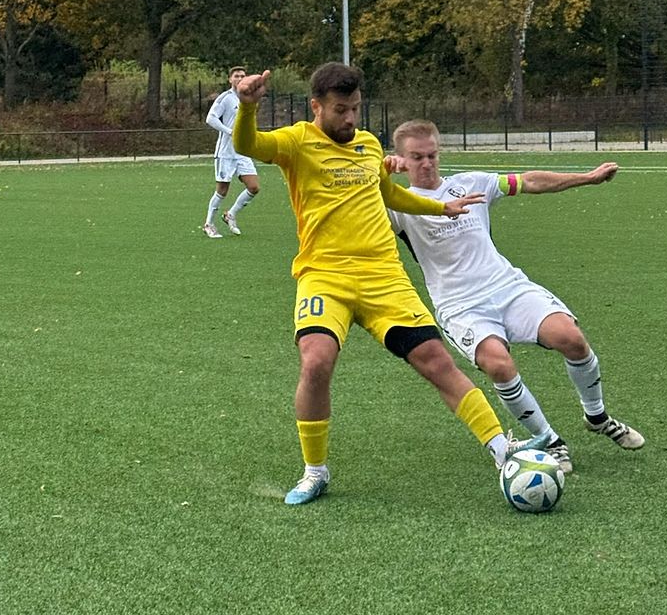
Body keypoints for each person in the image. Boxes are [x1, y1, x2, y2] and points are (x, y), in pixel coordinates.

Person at [232, 63, 545, 506]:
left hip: (384, 276)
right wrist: (247, 107)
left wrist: (442, 209)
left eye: (356, 109)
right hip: (325, 275)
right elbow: (249, 144)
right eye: (341, 110)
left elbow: (388, 195)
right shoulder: (296, 141)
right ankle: (315, 471)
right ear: (316, 106)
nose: (351, 119)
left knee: (436, 361)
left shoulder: (367, 146)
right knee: (316, 361)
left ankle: (502, 451)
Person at [385, 119, 645, 474]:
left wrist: (588, 178)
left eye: (432, 155)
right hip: (460, 307)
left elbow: (529, 181)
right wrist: (379, 172)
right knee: (498, 365)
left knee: (571, 338)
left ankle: (597, 417)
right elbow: (357, 197)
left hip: (507, 287)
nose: (427, 163)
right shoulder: (397, 205)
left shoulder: (471, 183)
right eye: (416, 157)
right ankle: (551, 441)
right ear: (401, 159)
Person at [202, 67, 261, 238]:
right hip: (226, 152)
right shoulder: (225, 98)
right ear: (230, 79)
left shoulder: (249, 98)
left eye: (243, 76)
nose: (240, 78)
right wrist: (228, 131)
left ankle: (231, 214)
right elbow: (210, 118)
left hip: (242, 151)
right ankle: (208, 224)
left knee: (254, 187)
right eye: (237, 76)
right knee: (222, 190)